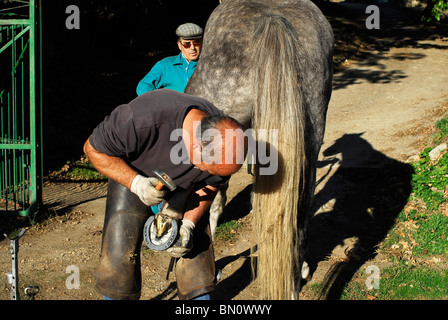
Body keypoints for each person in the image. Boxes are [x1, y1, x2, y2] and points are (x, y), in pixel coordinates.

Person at [83, 89, 245, 300]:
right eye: (207, 167)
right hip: (133, 172)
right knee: (118, 261)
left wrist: (188, 224)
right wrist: (136, 183)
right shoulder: (140, 119)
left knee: (195, 262)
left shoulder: (222, 135)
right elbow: (91, 149)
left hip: (188, 187)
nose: (212, 174)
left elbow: (211, 183)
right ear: (195, 146)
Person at [136, 23, 203, 95]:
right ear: (179, 45)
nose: (192, 48)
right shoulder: (165, 65)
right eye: (187, 44)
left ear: (201, 43)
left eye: (196, 43)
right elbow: (143, 87)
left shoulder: (207, 64)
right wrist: (159, 102)